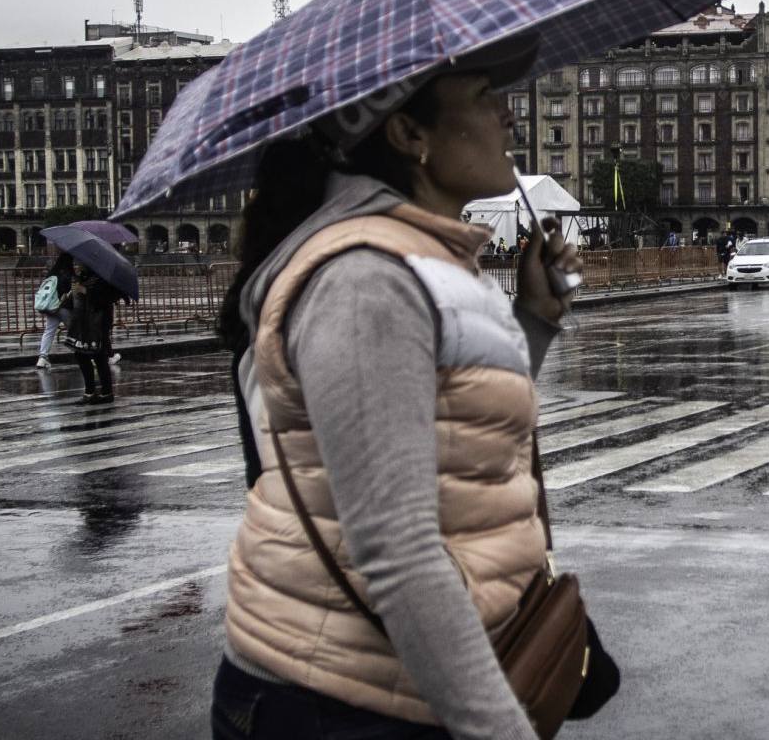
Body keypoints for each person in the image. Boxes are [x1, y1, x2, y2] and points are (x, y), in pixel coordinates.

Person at [210, 39, 584, 740]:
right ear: (409, 133)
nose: (510, 117)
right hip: (339, 703)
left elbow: (457, 438)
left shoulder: (427, 255)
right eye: (483, 97)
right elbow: (398, 549)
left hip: (395, 680)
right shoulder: (366, 281)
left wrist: (533, 318)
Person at [62, 260, 121, 405]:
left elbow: (105, 299)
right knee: (80, 354)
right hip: (81, 323)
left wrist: (86, 291)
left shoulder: (103, 278)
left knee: (99, 356)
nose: (78, 264)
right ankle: (89, 391)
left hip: (97, 323)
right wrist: (67, 298)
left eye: (81, 262)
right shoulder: (83, 277)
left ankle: (107, 392)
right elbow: (76, 300)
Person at [34, 251, 75, 369]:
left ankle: (42, 357)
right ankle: (86, 356)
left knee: (49, 331)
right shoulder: (68, 275)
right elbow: (69, 293)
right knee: (75, 331)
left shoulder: (52, 274)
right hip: (64, 308)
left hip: (51, 308)